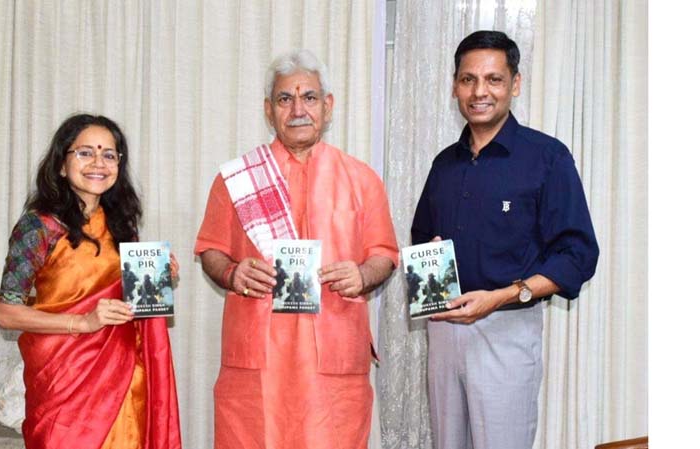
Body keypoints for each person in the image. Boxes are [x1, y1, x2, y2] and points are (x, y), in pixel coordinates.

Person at [194, 49, 398, 449]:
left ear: (328, 105)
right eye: (286, 99)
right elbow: (211, 250)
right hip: (258, 361)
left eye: (309, 97)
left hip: (332, 357)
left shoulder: (362, 179)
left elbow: (385, 256)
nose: (298, 109)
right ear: (269, 110)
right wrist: (232, 273)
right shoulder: (235, 179)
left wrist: (362, 275)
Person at [411, 31, 599, 449]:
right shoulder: (443, 163)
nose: (480, 92)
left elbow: (578, 255)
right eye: (468, 79)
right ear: (455, 85)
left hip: (505, 331)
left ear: (515, 84)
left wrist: (499, 297)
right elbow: (423, 236)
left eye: (494, 79)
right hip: (443, 331)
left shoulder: (547, 158)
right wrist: (431, 266)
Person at [0, 114, 182, 449]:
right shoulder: (37, 228)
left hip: (122, 379)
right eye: (85, 153)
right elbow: (7, 314)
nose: (99, 163)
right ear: (62, 165)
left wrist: (156, 277)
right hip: (64, 388)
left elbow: (128, 300)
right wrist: (82, 322)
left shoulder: (122, 227)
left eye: (109, 155)